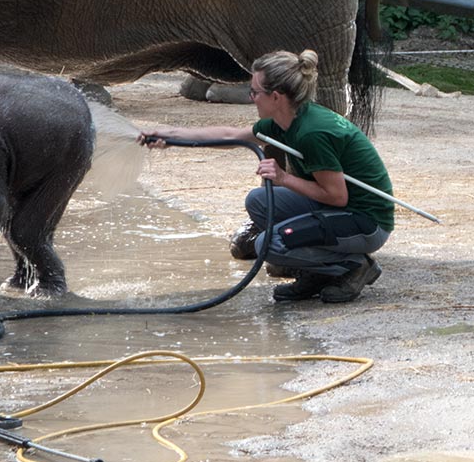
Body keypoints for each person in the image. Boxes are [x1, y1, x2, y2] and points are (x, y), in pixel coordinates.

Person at [139, 49, 393, 303]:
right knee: (259, 201)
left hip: (365, 221)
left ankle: (355, 265)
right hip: (341, 209)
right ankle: (317, 271)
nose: (252, 99)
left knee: (269, 245)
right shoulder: (285, 121)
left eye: (255, 92)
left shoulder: (312, 134)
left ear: (275, 97)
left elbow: (336, 196)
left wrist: (284, 178)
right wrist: (169, 136)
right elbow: (231, 137)